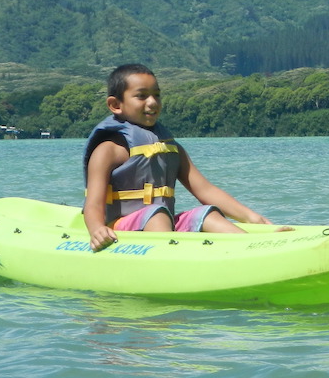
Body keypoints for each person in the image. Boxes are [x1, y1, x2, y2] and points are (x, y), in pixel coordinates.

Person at [83, 63, 277, 252]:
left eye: (156, 95)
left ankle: (254, 248)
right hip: (122, 230)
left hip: (164, 226)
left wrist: (254, 219)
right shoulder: (107, 151)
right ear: (115, 105)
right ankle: (169, 262)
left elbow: (205, 190)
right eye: (141, 96)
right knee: (156, 215)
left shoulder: (170, 148)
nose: (152, 102)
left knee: (206, 213)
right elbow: (93, 204)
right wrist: (97, 229)